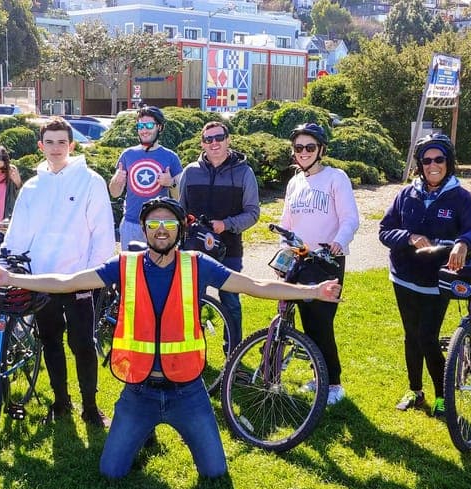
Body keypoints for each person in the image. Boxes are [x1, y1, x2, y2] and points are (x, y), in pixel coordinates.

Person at [0, 197, 342, 478]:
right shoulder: (124, 265)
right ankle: (143, 432)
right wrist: (11, 279)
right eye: (153, 224)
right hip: (138, 390)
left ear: (178, 231)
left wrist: (313, 291)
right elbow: (67, 281)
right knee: (111, 471)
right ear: (144, 230)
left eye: (168, 223)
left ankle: (151, 434)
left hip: (189, 391)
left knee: (215, 473)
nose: (160, 229)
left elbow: (256, 285)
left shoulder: (198, 264)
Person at [3, 117, 115, 427]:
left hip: (79, 280)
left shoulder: (90, 181)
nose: (55, 148)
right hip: (42, 281)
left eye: (61, 142)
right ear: (40, 146)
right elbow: (17, 234)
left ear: (72, 145)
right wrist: (7, 265)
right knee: (50, 341)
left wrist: (94, 276)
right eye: (49, 142)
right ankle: (61, 401)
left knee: (82, 344)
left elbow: (103, 233)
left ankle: (90, 406)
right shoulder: (32, 187)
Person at [378, 133, 471, 417]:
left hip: (437, 280)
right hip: (403, 277)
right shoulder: (407, 194)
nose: (432, 165)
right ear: (420, 164)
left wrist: (464, 243)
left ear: (448, 162)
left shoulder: (459, 197)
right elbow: (384, 230)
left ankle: (442, 396)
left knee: (427, 337)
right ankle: (415, 391)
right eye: (426, 160)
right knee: (410, 336)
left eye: (438, 159)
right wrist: (410, 236)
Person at [279, 123, 359, 405]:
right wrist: (283, 246)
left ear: (321, 150)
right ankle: (318, 376)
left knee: (322, 323)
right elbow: (287, 222)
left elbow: (350, 218)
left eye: (309, 147)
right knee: (306, 323)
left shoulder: (336, 178)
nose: (303, 152)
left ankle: (334, 384)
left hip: (327, 259)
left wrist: (339, 240)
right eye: (298, 148)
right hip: (300, 259)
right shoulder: (295, 182)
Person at [178, 121, 259, 351]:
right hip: (194, 249)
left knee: (231, 302)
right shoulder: (190, 172)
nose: (214, 143)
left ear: (228, 139)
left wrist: (227, 224)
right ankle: (192, 352)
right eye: (208, 139)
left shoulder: (244, 172)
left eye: (218, 138)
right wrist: (183, 221)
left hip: (230, 249)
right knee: (192, 302)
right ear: (202, 143)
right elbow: (180, 208)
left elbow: (253, 213)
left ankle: (233, 352)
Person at [109, 106, 183, 246]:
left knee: (162, 266)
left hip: (161, 225)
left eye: (149, 125)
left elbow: (180, 196)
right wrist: (116, 181)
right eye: (141, 125)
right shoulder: (127, 154)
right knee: (131, 267)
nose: (144, 130)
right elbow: (114, 193)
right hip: (132, 224)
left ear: (159, 127)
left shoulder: (171, 157)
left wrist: (171, 183)